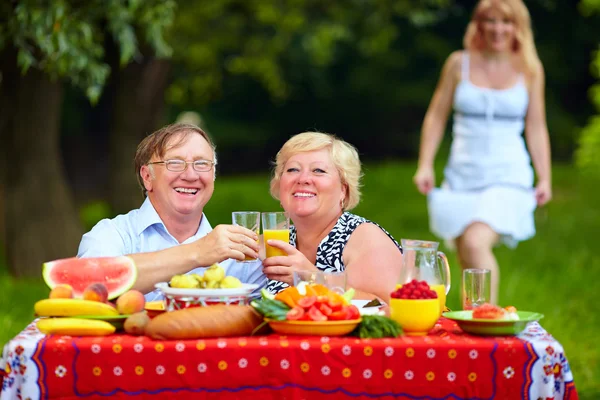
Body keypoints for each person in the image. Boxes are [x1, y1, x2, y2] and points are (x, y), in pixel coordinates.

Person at [413, 0, 552, 304]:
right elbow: (436, 116)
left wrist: (545, 177)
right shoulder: (457, 63)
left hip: (509, 176)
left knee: (476, 243)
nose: (498, 29)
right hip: (461, 177)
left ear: (518, 27)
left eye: (506, 22)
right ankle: (473, 341)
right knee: (466, 257)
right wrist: (425, 164)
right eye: (490, 21)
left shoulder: (529, 69)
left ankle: (489, 325)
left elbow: (537, 126)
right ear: (478, 24)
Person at [78, 123, 266, 300]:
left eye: (201, 164)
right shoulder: (111, 234)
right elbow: (90, 285)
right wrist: (198, 251)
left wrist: (295, 269)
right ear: (147, 177)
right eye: (175, 163)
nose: (191, 175)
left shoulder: (242, 253)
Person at [262, 131, 403, 303]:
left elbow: (388, 306)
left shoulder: (364, 238)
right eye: (293, 169)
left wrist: (312, 278)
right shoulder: (273, 241)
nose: (303, 178)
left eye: (318, 170)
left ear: (343, 190)